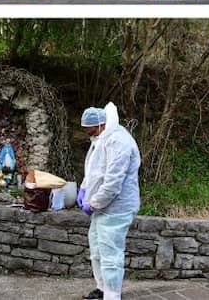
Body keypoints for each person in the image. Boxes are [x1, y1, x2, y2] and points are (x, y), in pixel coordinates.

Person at [78, 103, 141, 300]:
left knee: (111, 254)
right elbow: (94, 169)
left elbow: (113, 182)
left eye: (89, 129)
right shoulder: (102, 137)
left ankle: (112, 295)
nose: (87, 134)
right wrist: (83, 188)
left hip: (116, 208)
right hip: (103, 208)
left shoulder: (119, 142)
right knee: (97, 250)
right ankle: (102, 288)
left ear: (100, 125)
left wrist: (94, 203)